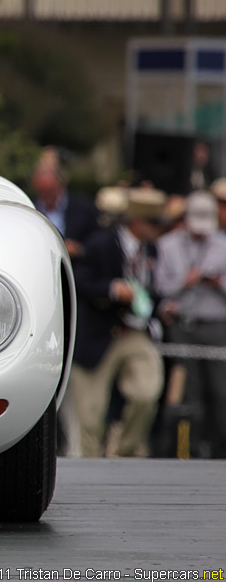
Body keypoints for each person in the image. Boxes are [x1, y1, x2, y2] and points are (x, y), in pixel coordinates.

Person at [71, 187, 166, 457]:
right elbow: (80, 280)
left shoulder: (152, 250)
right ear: (137, 221)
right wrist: (113, 289)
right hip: (99, 332)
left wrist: (163, 306)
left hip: (135, 331)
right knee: (90, 415)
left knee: (147, 393)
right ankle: (91, 467)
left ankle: (123, 450)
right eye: (153, 223)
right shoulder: (100, 243)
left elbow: (150, 291)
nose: (158, 230)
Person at [154, 190, 226, 458]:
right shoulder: (168, 245)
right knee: (186, 392)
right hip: (183, 326)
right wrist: (186, 282)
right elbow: (160, 288)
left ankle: (221, 450)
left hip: (217, 325)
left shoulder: (222, 245)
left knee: (221, 391)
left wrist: (217, 284)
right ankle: (186, 451)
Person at [31, 162, 99, 265]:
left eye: (50, 191)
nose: (45, 197)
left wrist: (78, 248)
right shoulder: (31, 209)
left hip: (76, 269)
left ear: (61, 186)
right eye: (42, 192)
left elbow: (97, 243)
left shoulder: (83, 209)